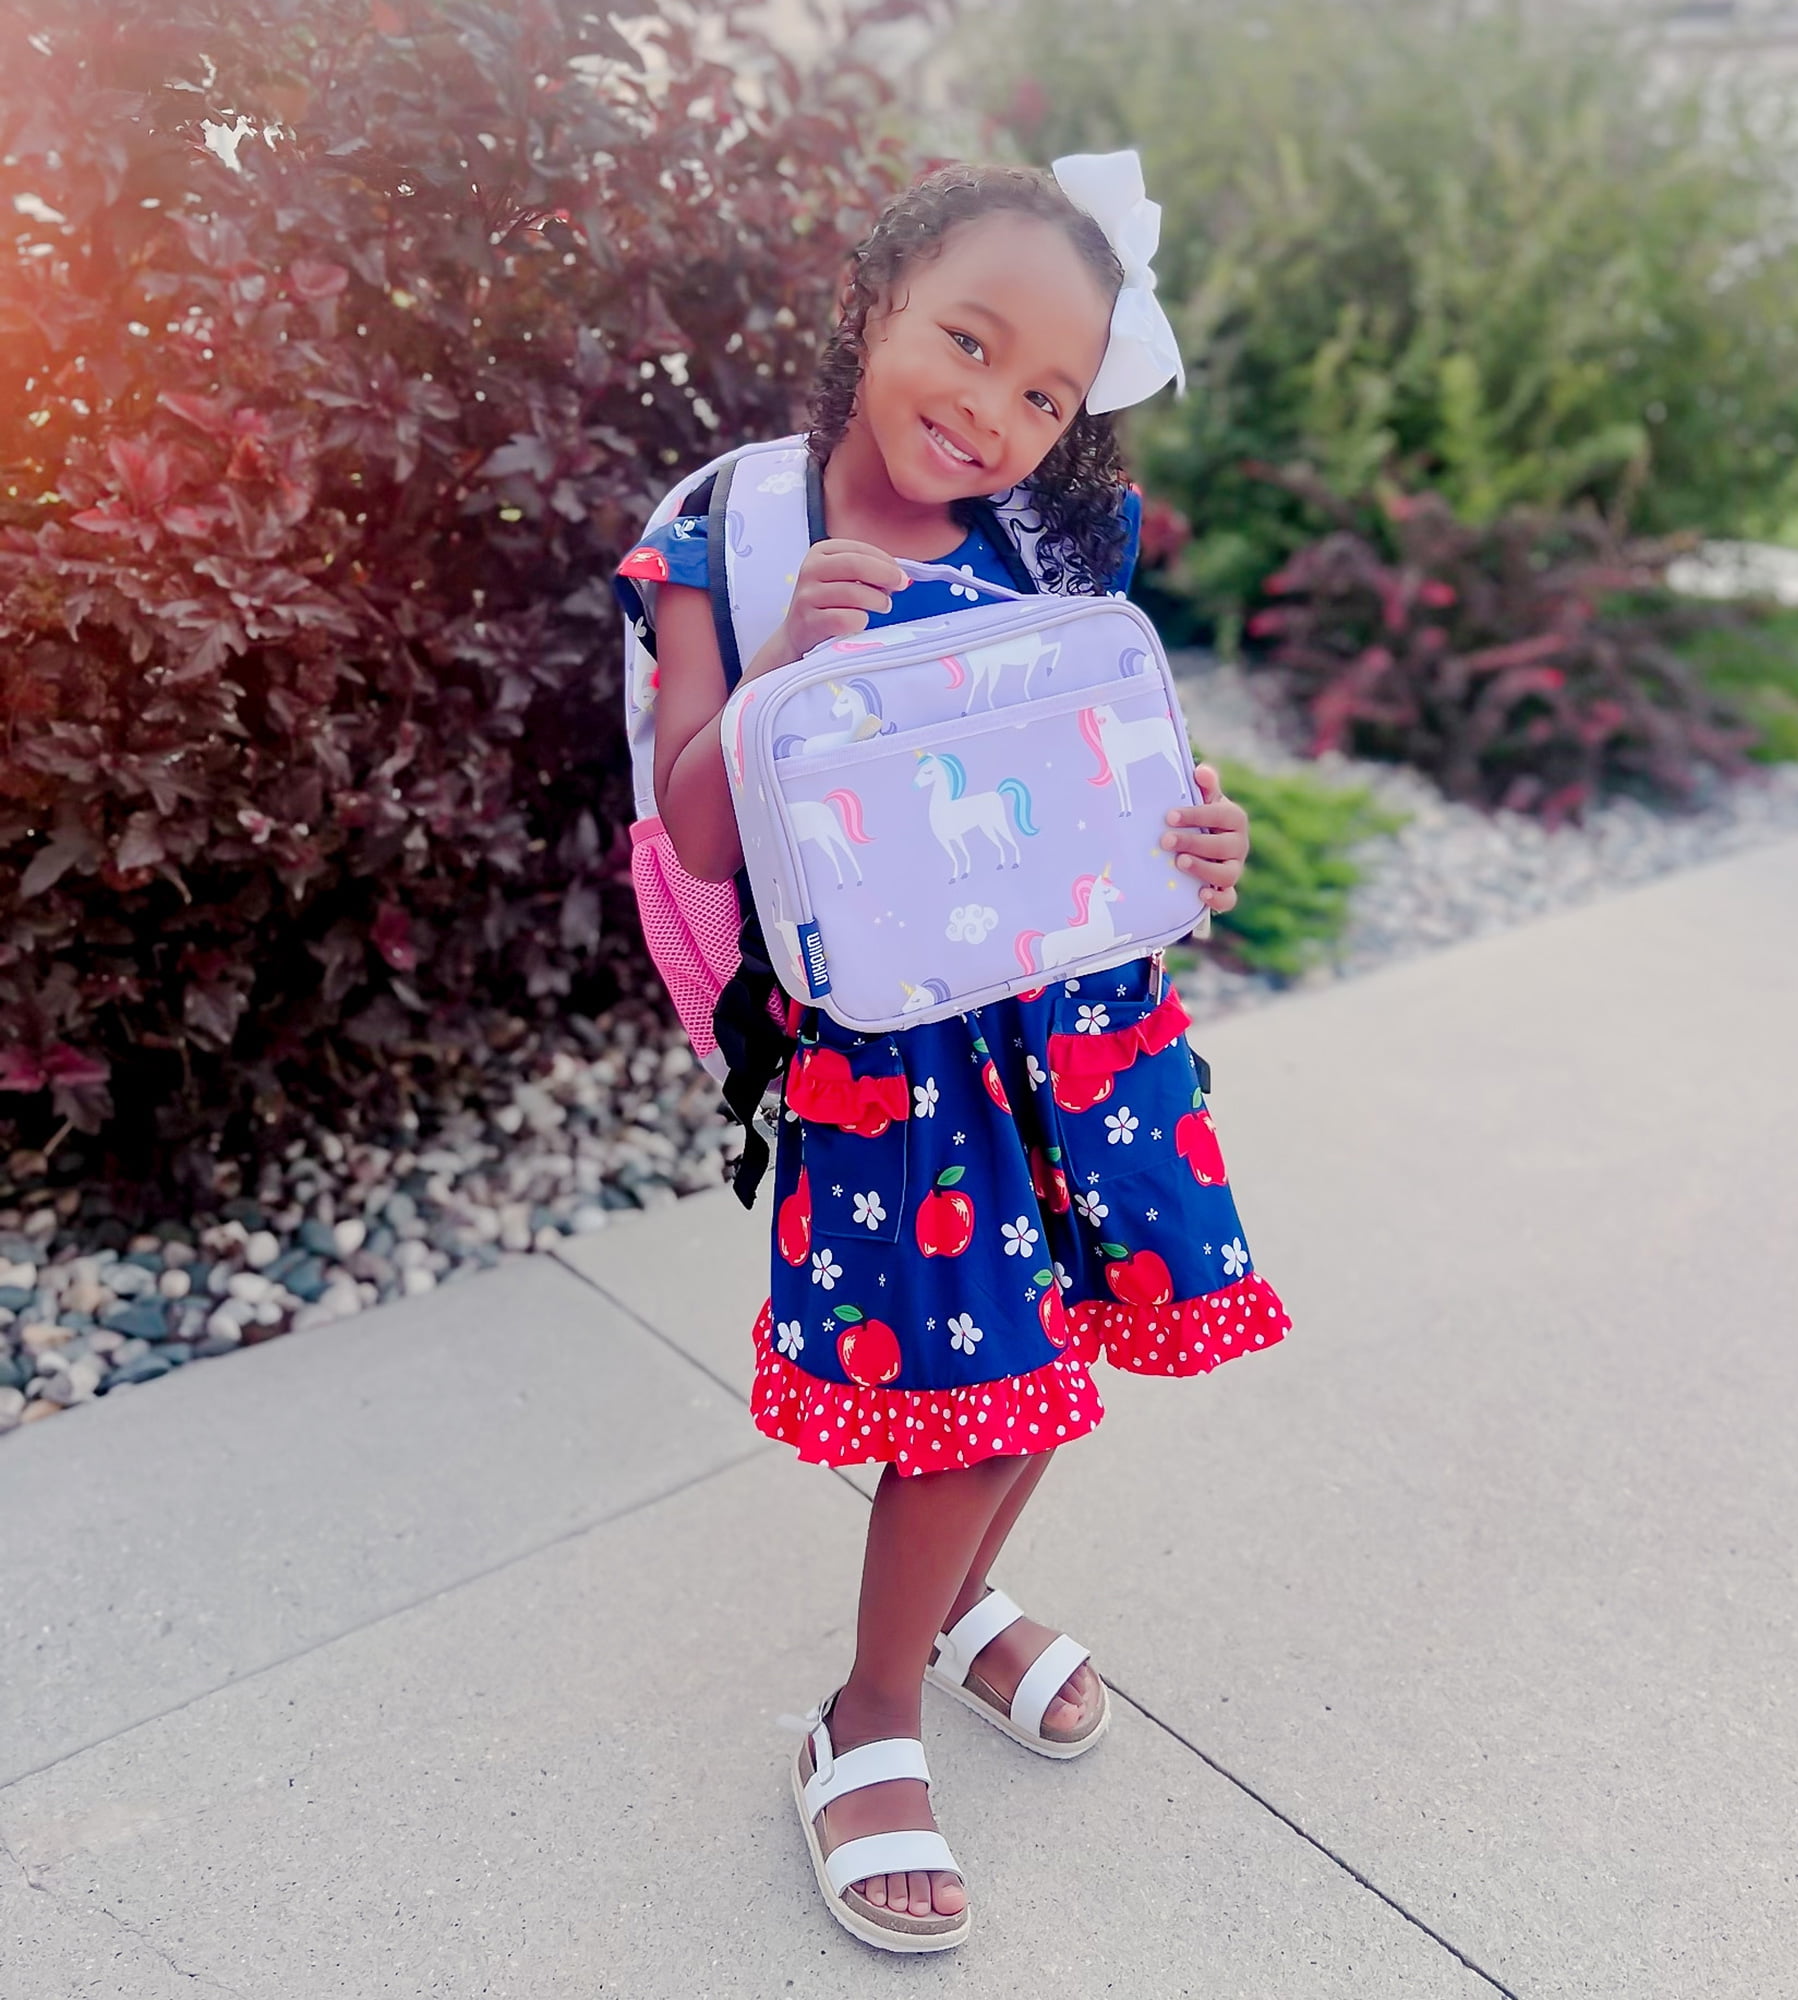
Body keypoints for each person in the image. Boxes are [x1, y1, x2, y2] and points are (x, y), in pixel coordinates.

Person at [632, 152, 1290, 1954]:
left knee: (1058, 1341)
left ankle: (952, 1605)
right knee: (968, 1372)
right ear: (874, 306)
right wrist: (787, 657)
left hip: (1084, 1032)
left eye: (1046, 395)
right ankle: (868, 1713)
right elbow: (699, 835)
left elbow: (1113, 777)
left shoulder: (1054, 546)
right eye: (969, 344)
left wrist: (1201, 842)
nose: (994, 412)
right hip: (901, 1064)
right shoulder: (724, 535)